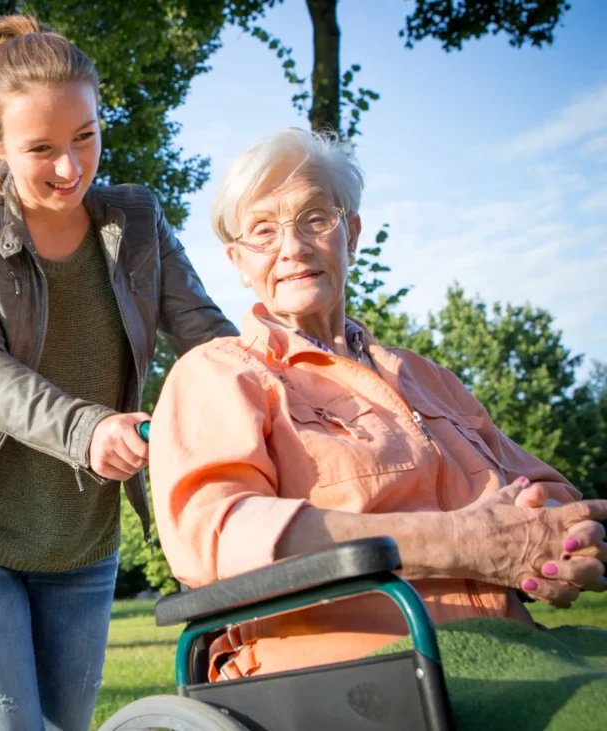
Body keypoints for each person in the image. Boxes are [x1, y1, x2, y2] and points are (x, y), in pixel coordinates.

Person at [148, 127, 607, 682]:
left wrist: (562, 542)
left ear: (352, 233)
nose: (292, 247)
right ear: (239, 262)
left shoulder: (425, 376)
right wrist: (465, 543)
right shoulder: (220, 374)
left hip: (511, 647)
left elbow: (548, 490)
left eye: (315, 219)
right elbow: (219, 536)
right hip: (352, 673)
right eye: (263, 232)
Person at [0, 14, 237, 731]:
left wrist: (289, 374)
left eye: (86, 137)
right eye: (41, 149)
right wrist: (87, 428)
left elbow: (208, 339)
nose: (71, 169)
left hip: (80, 542)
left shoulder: (136, 219)